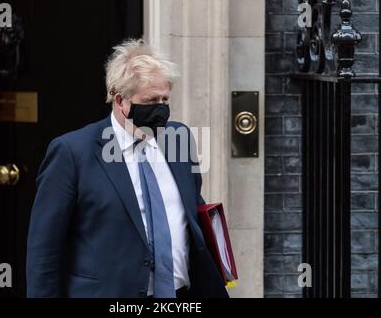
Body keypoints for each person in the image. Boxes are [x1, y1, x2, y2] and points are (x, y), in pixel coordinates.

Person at [26, 39, 229, 298]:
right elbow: (45, 250)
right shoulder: (72, 152)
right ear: (120, 101)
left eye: (165, 99)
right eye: (150, 100)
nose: (161, 108)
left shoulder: (178, 137)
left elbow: (191, 209)